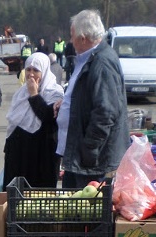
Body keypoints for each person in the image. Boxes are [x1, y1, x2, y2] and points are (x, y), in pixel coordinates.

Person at [55, 9, 129, 189]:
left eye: (72, 36)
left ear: (83, 38)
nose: (70, 41)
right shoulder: (89, 59)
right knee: (70, 209)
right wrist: (67, 104)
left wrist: (89, 149)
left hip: (91, 162)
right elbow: (88, 97)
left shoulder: (101, 63)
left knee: (83, 213)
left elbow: (106, 112)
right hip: (81, 157)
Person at [2, 52, 64, 191]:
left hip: (42, 153)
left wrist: (34, 95)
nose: (31, 74)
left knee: (39, 197)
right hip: (19, 152)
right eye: (28, 70)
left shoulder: (55, 92)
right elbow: (13, 122)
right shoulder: (20, 93)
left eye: (36, 70)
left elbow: (48, 117)